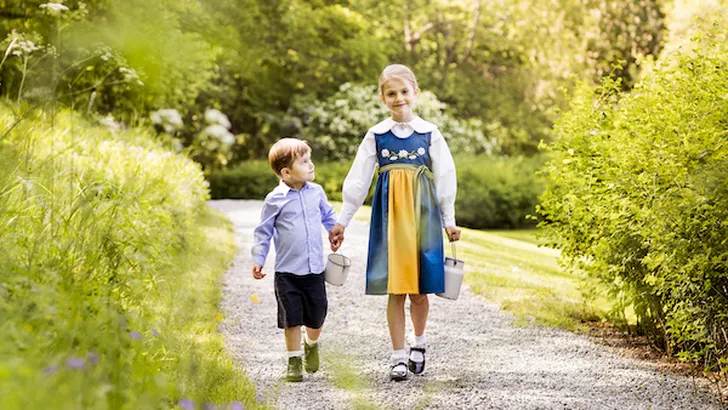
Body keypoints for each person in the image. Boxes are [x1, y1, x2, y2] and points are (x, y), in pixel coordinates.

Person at [328, 64, 461, 381]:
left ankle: (419, 342)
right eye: (391, 93)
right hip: (389, 219)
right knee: (395, 288)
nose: (398, 98)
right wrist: (342, 222)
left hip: (422, 215)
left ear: (415, 93)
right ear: (382, 98)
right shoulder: (376, 135)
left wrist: (449, 220)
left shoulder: (430, 133)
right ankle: (398, 355)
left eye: (404, 91)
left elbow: (445, 177)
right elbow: (358, 182)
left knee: (419, 289)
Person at [251, 138, 339, 382]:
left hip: (314, 271)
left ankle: (311, 343)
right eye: (304, 162)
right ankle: (293, 361)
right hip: (287, 272)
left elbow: (328, 215)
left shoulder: (316, 192)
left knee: (318, 315)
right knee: (291, 319)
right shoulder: (274, 199)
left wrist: (334, 232)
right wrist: (259, 258)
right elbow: (264, 232)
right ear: (286, 172)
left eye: (310, 160)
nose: (311, 165)